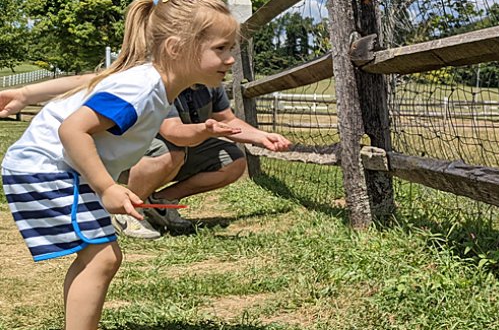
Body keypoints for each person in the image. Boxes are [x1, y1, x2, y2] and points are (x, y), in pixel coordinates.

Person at [1, 0, 240, 330]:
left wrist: (25, 93)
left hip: (55, 166)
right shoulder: (143, 88)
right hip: (46, 167)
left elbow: (90, 81)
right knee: (102, 257)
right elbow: (72, 129)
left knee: (98, 256)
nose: (230, 59)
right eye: (221, 49)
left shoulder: (156, 82)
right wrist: (106, 186)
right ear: (179, 47)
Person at [0, 83, 292, 240]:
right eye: (219, 50)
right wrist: (204, 129)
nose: (227, 60)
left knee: (233, 160)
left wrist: (259, 136)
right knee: (172, 150)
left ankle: (160, 204)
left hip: (186, 142)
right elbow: (173, 131)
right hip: (143, 149)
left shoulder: (210, 83)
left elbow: (227, 119)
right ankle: (127, 210)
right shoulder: (161, 82)